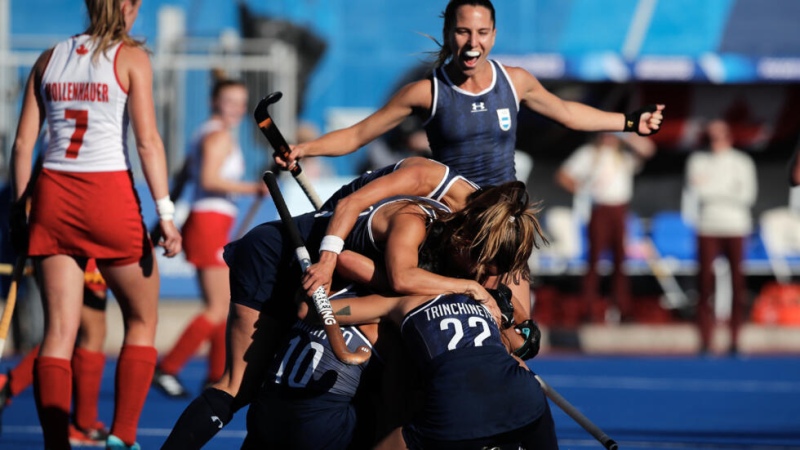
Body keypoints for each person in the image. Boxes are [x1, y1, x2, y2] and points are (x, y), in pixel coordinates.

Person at [276, 0, 663, 325]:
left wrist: (631, 123)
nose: (472, 42)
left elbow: (567, 113)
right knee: (421, 309)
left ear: (493, 35)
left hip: (503, 226)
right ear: (449, 34)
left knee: (517, 328)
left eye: (481, 33)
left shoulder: (516, 81)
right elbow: (359, 135)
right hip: (454, 231)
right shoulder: (427, 91)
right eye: (463, 32)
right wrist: (304, 150)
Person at [161, 179, 539, 449]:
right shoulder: (415, 224)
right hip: (280, 257)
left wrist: (517, 324)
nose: (482, 279)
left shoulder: (443, 260)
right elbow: (379, 273)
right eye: (481, 268)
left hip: (319, 291)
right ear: (464, 240)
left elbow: (337, 303)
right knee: (238, 385)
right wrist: (464, 288)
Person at [9, 0, 182, 448]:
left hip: (53, 194)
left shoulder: (49, 58)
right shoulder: (132, 58)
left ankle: (56, 442)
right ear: (128, 6)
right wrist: (165, 213)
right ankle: (123, 438)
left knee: (59, 333)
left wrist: (19, 209)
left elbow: (25, 141)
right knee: (142, 319)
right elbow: (147, 142)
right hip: (108, 196)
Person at [320, 289, 557, 449]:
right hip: (526, 396)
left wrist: (313, 298)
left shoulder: (403, 302)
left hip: (457, 409)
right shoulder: (480, 296)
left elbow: (325, 311)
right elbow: (524, 346)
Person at [152, 74, 266, 399]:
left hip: (210, 222)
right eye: (230, 102)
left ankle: (216, 374)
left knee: (226, 303)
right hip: (208, 223)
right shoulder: (217, 137)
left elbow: (185, 174)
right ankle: (168, 367)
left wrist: (168, 212)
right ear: (215, 102)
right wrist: (252, 188)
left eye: (241, 104)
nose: (236, 109)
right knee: (218, 307)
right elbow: (207, 178)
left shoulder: (205, 134)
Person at [0, 259, 110, 446]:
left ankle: (7, 385)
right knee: (87, 331)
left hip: (55, 241)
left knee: (66, 332)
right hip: (84, 245)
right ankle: (84, 424)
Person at [555, 132, 655, 323]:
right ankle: (589, 310)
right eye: (606, 132)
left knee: (620, 261)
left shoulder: (624, 156)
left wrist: (624, 133)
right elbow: (563, 176)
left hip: (620, 210)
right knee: (594, 262)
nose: (609, 137)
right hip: (600, 209)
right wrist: (584, 190)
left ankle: (623, 309)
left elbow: (648, 150)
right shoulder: (589, 154)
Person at [685, 119, 757, 355]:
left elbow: (747, 195)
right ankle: (705, 338)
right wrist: (727, 190)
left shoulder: (742, 162)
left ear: (729, 137)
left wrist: (712, 189)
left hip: (736, 227)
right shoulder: (697, 160)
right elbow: (697, 192)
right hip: (707, 227)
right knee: (705, 284)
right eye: (710, 137)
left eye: (719, 136)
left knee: (738, 284)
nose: (715, 142)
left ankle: (736, 338)